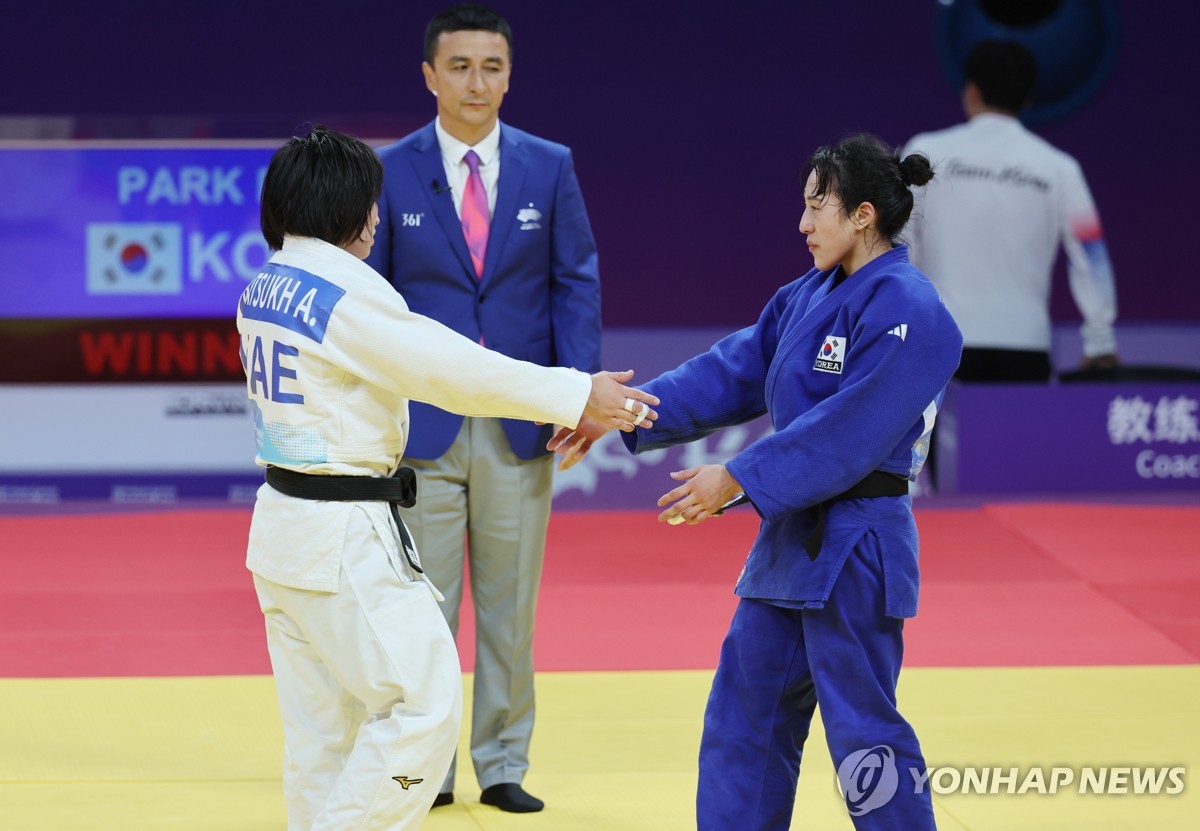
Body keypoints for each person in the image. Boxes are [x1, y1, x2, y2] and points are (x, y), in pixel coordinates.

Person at [238, 125, 658, 831]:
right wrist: (573, 391)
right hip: (343, 537)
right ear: (344, 208)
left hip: (282, 530)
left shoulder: (267, 284)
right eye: (371, 204)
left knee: (323, 734)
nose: (378, 219)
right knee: (425, 711)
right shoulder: (343, 292)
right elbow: (450, 369)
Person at [551, 134, 962, 830]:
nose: (802, 224)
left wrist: (738, 476)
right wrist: (624, 412)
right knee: (746, 716)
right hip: (789, 543)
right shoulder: (804, 296)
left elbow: (848, 431)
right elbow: (727, 372)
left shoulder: (913, 311)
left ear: (863, 214)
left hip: (859, 543)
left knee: (864, 733)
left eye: (816, 207)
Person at [365, 3, 601, 813]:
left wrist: (577, 394)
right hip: (424, 424)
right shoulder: (390, 171)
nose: (476, 82)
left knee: (509, 602)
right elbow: (373, 299)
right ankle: (427, 767)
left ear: (510, 74)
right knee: (424, 609)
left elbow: (575, 282)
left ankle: (502, 761)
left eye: (491, 66)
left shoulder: (550, 166)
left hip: (515, 422)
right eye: (459, 66)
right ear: (429, 75)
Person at [902, 38, 1119, 383]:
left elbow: (898, 239)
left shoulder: (924, 152)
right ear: (1029, 98)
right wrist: (1100, 339)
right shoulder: (1058, 168)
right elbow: (1091, 255)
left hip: (938, 340)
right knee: (1016, 439)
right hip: (1025, 346)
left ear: (971, 90)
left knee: (937, 440)